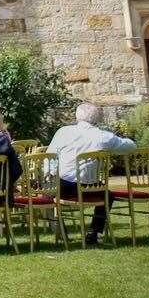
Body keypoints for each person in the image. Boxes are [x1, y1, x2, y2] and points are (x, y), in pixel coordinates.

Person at [47, 102, 136, 244]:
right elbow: (130, 146)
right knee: (108, 195)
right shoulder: (104, 136)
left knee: (46, 195)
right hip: (91, 188)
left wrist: (50, 172)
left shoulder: (63, 132)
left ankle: (60, 231)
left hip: (66, 186)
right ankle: (94, 231)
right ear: (97, 119)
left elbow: (50, 157)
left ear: (77, 116)